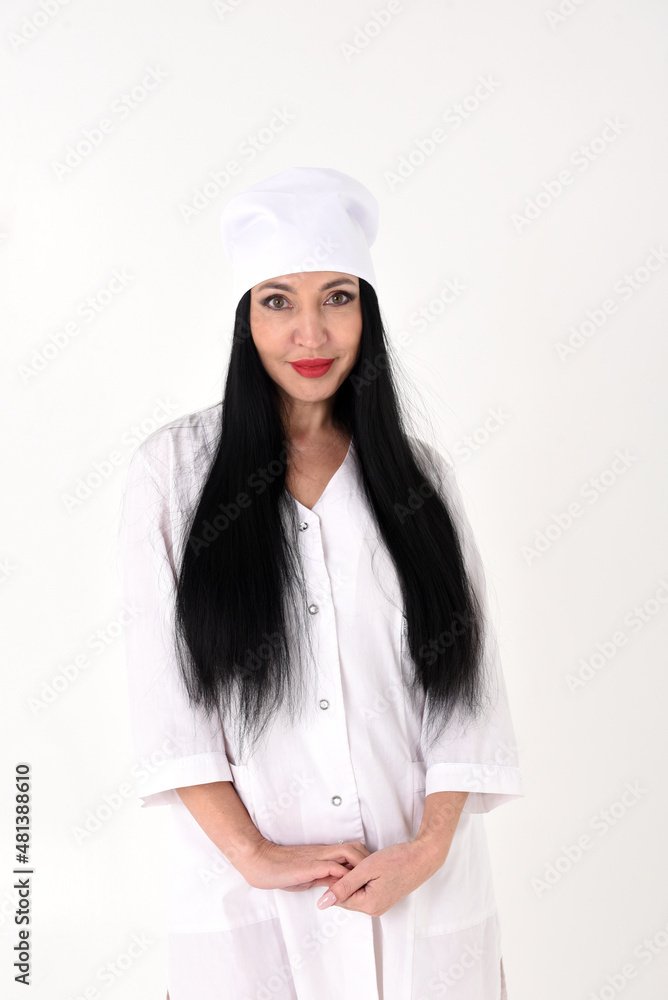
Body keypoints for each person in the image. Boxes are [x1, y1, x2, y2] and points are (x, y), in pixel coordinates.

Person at [117, 166, 525, 1000]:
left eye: (338, 297)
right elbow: (168, 704)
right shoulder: (174, 475)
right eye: (278, 301)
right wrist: (255, 855)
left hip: (417, 891)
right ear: (246, 319)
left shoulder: (421, 480)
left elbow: (465, 689)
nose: (311, 333)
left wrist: (428, 849)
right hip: (247, 905)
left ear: (367, 312)